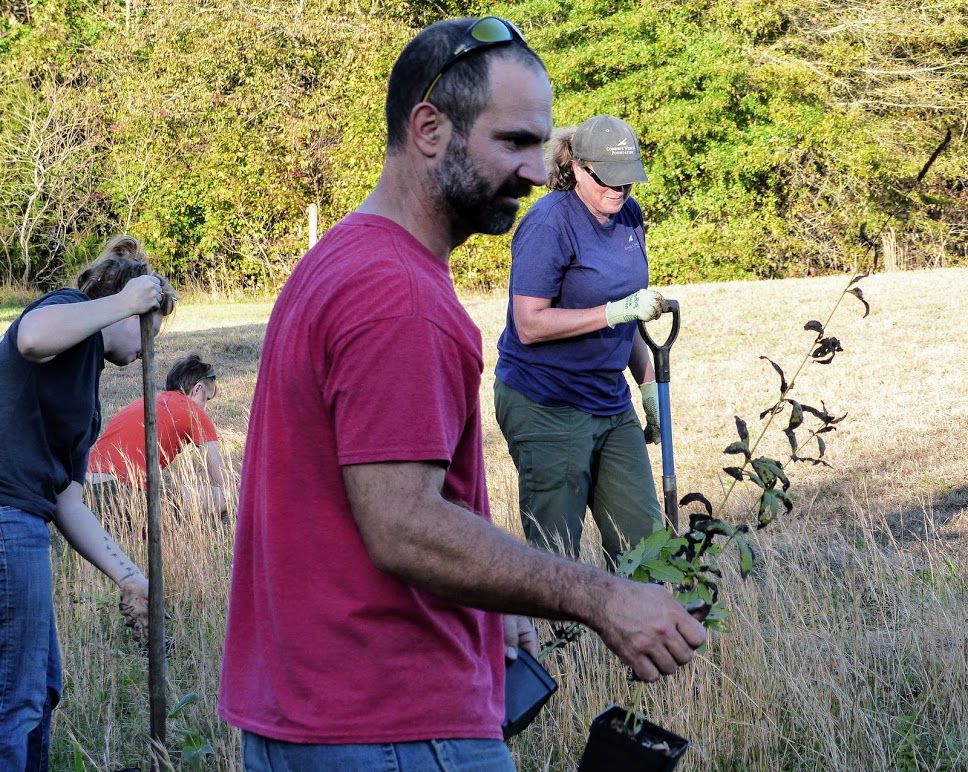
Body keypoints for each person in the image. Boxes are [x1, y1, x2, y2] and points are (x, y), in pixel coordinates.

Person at [219, 17, 705, 770]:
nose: (539, 170)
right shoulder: (399, 297)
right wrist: (602, 597)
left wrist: (490, 608)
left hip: (313, 715)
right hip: (394, 725)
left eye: (541, 144)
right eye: (513, 141)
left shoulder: (343, 257)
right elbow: (403, 525)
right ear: (429, 128)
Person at [0, 235, 176, 769]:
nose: (149, 346)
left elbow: (67, 501)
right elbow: (30, 337)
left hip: (26, 520)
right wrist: (126, 302)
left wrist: (129, 578)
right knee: (16, 702)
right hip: (7, 520)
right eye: (149, 327)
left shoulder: (86, 395)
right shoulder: (69, 311)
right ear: (125, 306)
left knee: (41, 690)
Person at [493, 115, 667, 566]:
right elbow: (529, 324)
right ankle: (557, 638)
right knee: (556, 557)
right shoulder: (549, 224)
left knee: (644, 548)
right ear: (578, 168)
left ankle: (638, 630)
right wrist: (614, 312)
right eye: (608, 179)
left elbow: (627, 310)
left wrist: (647, 383)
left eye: (628, 180)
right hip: (545, 403)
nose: (620, 190)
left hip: (609, 400)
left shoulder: (629, 215)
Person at [87, 353, 230, 520]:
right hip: (118, 493)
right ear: (197, 389)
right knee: (229, 496)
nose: (204, 407)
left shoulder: (143, 402)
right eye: (206, 399)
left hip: (82, 494)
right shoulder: (194, 412)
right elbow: (222, 480)